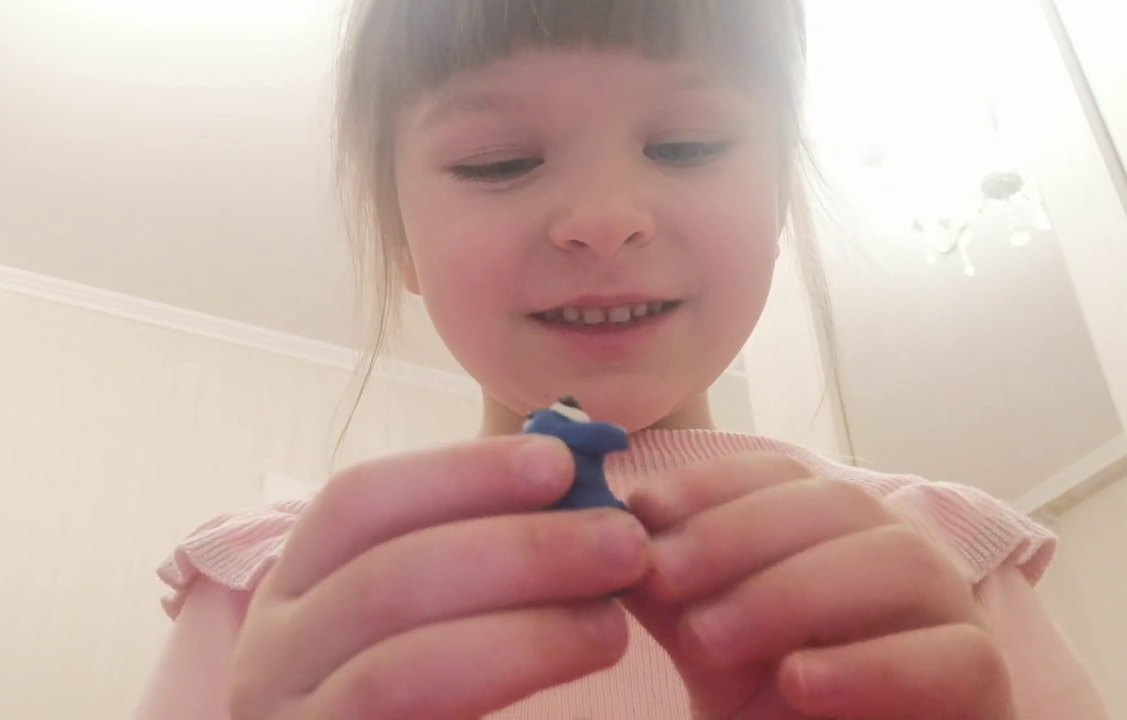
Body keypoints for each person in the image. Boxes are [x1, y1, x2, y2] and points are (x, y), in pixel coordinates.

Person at [134, 1, 1110, 718]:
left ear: (777, 200)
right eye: (498, 162)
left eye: (685, 146)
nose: (604, 221)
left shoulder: (935, 561)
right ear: (401, 241)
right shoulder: (278, 593)